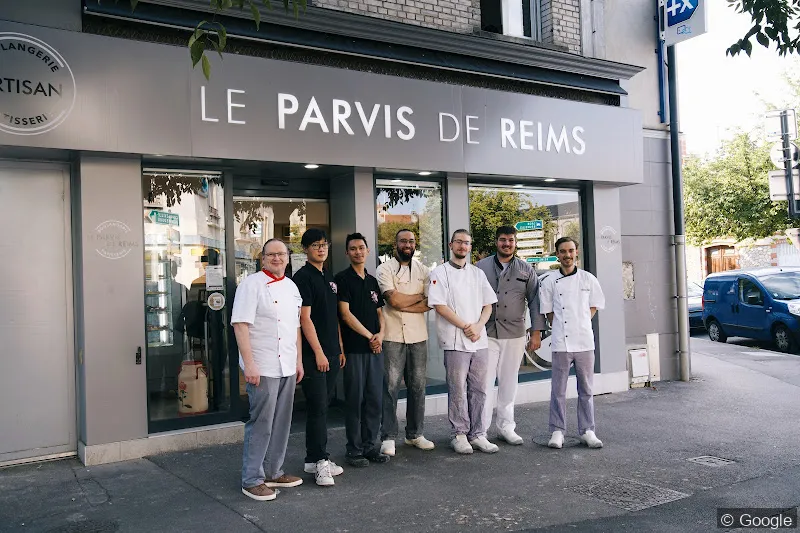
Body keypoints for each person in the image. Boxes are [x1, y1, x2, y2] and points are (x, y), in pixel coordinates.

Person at [232, 238, 304, 502]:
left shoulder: (292, 286)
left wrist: (298, 361)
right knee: (261, 422)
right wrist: (249, 364)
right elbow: (240, 325)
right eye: (271, 254)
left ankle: (274, 471)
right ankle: (251, 479)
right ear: (262, 258)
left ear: (288, 258)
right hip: (262, 365)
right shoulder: (251, 285)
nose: (277, 259)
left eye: (281, 254)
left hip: (286, 363)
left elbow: (294, 327)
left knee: (283, 422)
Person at [428, 229, 499, 454]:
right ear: (451, 245)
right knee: (457, 388)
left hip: (479, 339)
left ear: (470, 247)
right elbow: (440, 305)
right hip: (455, 339)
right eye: (458, 242)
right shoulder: (440, 272)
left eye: (466, 243)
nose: (462, 246)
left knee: (479, 388)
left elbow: (488, 304)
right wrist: (465, 326)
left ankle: (478, 434)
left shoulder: (478, 274)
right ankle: (459, 434)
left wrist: (478, 326)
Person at [475, 226, 547, 445]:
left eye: (510, 240)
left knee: (509, 383)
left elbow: (535, 302)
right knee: (484, 385)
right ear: (496, 242)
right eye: (502, 240)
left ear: (516, 243)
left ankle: (506, 427)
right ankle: (480, 431)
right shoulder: (481, 267)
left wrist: (536, 333)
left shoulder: (526, 270)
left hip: (514, 334)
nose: (506, 244)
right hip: (487, 333)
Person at [539, 237, 606, 450]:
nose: (567, 255)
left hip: (585, 341)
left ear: (576, 252)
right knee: (558, 389)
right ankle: (557, 430)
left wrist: (581, 322)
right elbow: (548, 312)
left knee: (586, 388)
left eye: (570, 251)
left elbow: (594, 306)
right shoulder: (549, 281)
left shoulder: (588, 279)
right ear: (557, 254)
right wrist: (561, 327)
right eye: (562, 251)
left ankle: (588, 430)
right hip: (561, 342)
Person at [292, 229, 347, 486]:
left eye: (324, 244)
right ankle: (319, 461)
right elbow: (304, 319)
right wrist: (319, 353)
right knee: (317, 409)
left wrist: (339, 348)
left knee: (323, 407)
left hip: (332, 353)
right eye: (315, 245)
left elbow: (333, 316)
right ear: (305, 249)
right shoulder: (303, 277)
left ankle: (315, 459)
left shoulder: (329, 277)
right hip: (316, 355)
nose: (321, 249)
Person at [376, 229, 435, 456]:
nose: (407, 244)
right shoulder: (384, 269)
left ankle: (415, 434)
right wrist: (417, 297)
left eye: (411, 241)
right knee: (390, 387)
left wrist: (403, 303)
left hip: (418, 336)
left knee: (418, 387)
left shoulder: (424, 271)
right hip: (391, 335)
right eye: (403, 241)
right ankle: (388, 436)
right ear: (395, 244)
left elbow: (430, 302)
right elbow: (392, 299)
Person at [335, 233, 390, 467]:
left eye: (361, 248)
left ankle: (370, 446)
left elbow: (381, 313)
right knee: (355, 400)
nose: (358, 252)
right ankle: (354, 449)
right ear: (347, 253)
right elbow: (345, 315)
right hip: (355, 350)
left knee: (374, 400)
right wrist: (369, 336)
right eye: (353, 249)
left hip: (375, 351)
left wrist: (381, 336)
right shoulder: (342, 280)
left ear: (368, 251)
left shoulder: (372, 281)